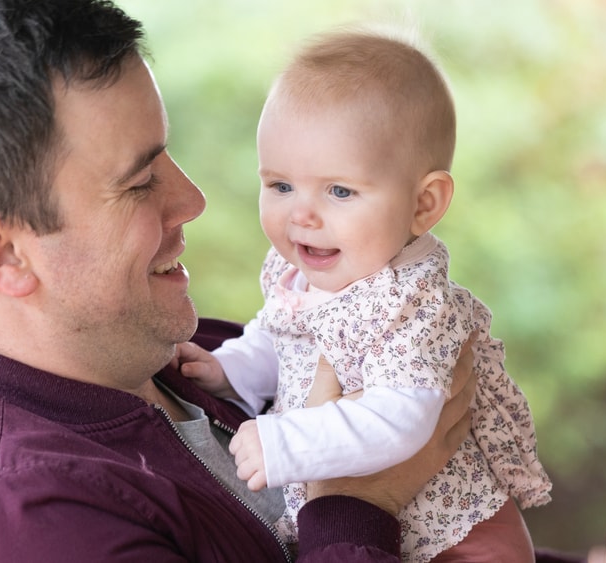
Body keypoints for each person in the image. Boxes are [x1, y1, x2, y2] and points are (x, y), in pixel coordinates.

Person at [0, 0, 606, 561]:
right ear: (1, 256)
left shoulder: (191, 356)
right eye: (140, 182)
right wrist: (353, 504)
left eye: (168, 157)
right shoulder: (25, 525)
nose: (196, 199)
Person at [173, 28, 550, 562]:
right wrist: (230, 369)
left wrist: (287, 443)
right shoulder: (305, 267)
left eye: (340, 190)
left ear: (423, 204)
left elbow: (400, 420)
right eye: (281, 185)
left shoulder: (414, 306)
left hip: (458, 541)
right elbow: (280, 337)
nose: (301, 214)